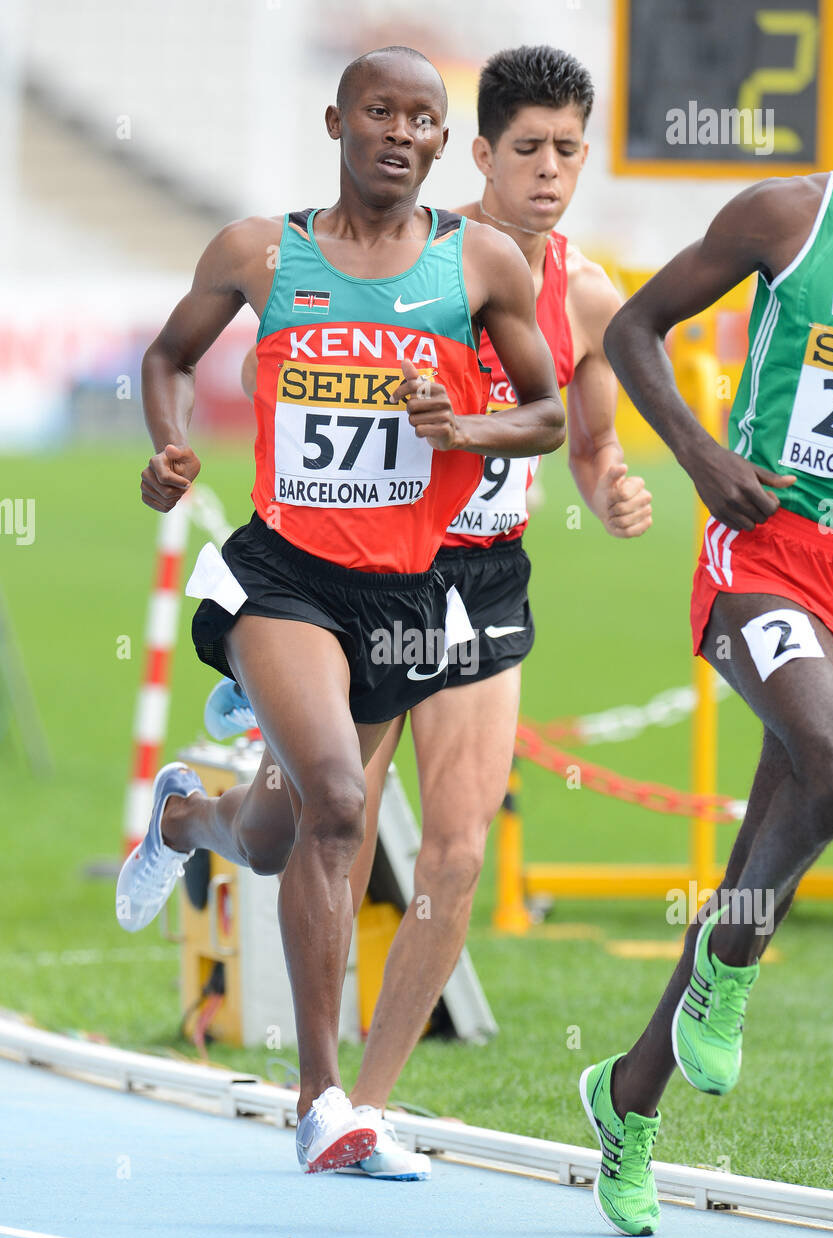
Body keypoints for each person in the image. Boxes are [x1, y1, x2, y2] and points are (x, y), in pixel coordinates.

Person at [115, 45, 565, 1176]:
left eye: (424, 118)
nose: (403, 134)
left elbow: (546, 415)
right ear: (337, 121)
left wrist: (461, 431)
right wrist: (167, 445)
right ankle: (326, 1104)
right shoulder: (262, 253)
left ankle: (185, 817)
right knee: (331, 806)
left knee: (269, 839)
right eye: (381, 112)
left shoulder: (481, 268)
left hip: (403, 595)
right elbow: (167, 356)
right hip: (283, 574)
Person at [206, 46, 653, 1179]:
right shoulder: (425, 250)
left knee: (453, 850)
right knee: (295, 832)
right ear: (482, 156)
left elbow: (587, 438)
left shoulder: (586, 294)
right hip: (375, 569)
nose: (551, 173)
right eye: (530, 151)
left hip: (487, 578)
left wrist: (610, 489)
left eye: (569, 150)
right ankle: (201, 799)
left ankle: (358, 1104)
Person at [582, 169, 833, 1234]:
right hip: (765, 558)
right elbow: (633, 331)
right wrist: (699, 456)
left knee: (763, 856)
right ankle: (727, 967)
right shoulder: (792, 216)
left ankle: (625, 1101)